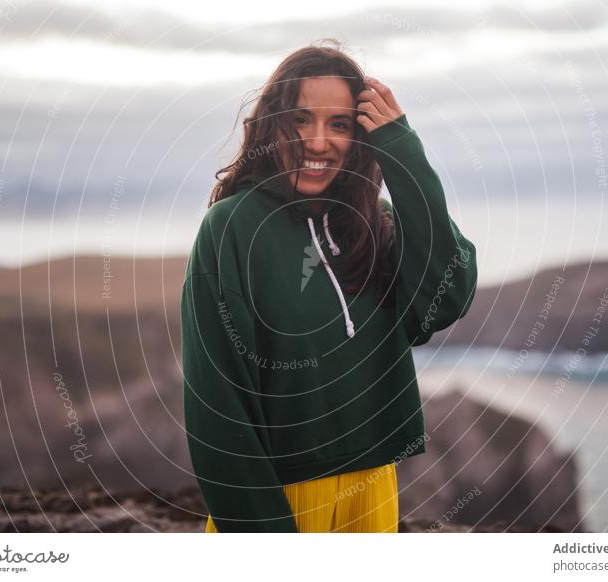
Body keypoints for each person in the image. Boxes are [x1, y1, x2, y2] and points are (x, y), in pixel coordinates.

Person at [180, 42, 478, 533]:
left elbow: (447, 298)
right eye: (300, 121)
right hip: (283, 495)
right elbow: (219, 405)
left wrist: (402, 153)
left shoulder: (373, 222)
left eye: (339, 124)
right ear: (271, 126)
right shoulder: (231, 226)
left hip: (375, 488)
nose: (318, 143)